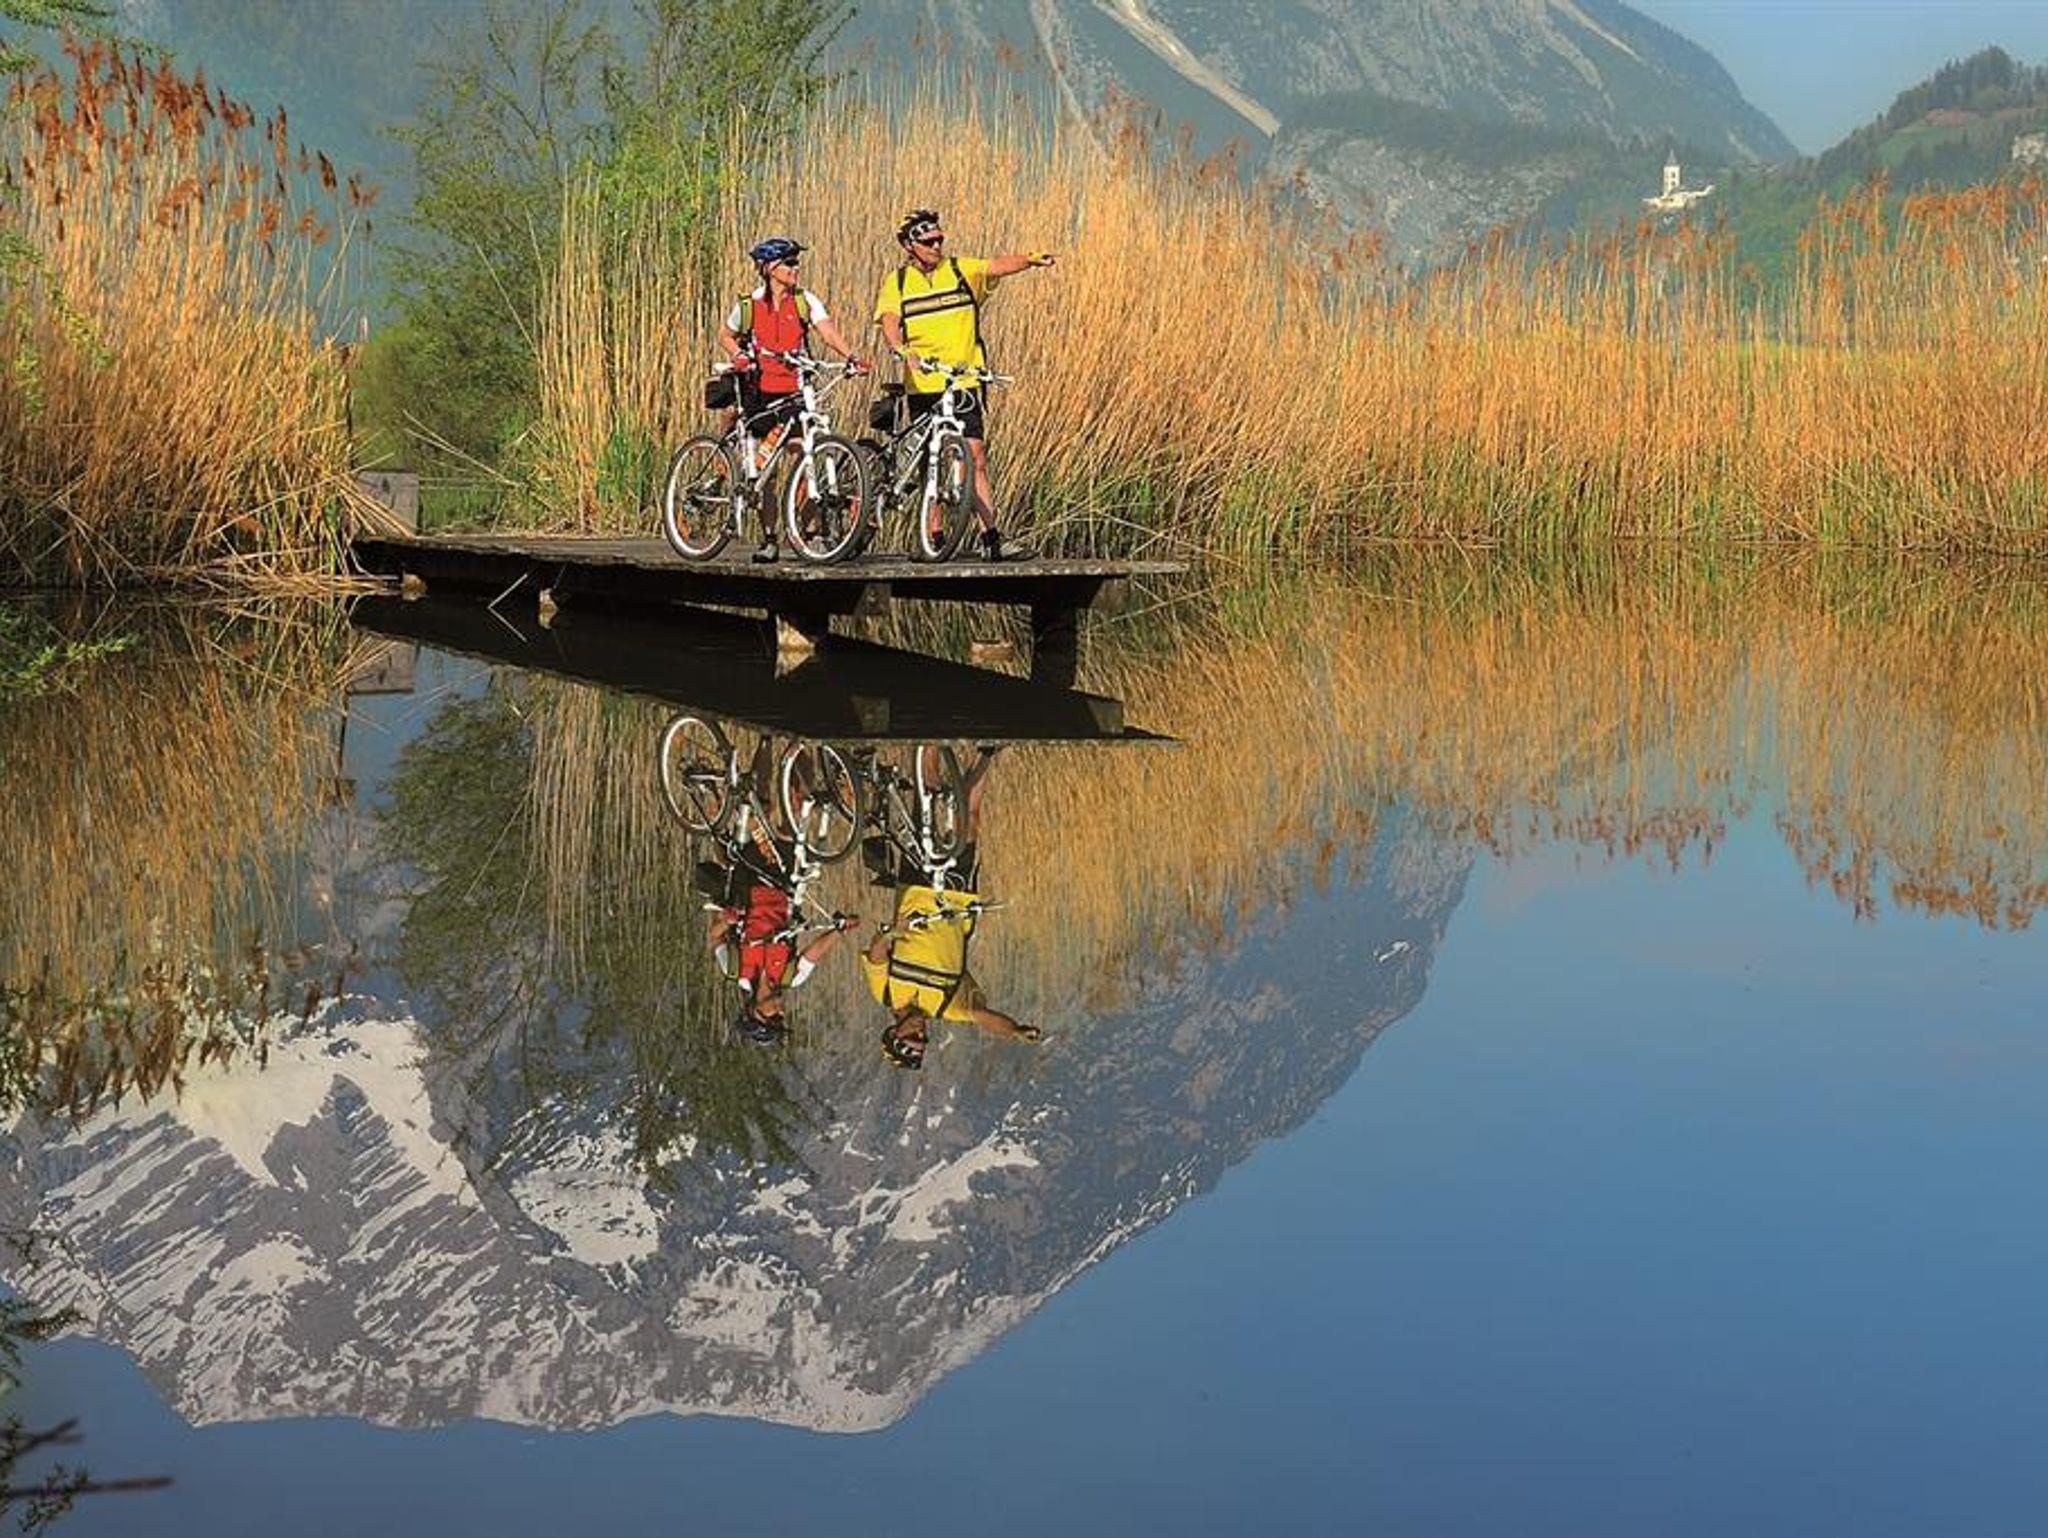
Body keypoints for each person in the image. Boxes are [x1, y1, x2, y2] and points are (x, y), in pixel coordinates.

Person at [873, 208, 1056, 563]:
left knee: (974, 456)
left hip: (964, 379)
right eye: (928, 242)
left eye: (939, 240)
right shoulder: (898, 282)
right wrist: (900, 349)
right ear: (909, 245)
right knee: (929, 461)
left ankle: (991, 538)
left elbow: (995, 266)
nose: (936, 246)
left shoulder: (958, 269)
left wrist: (1030, 260)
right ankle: (933, 536)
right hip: (922, 384)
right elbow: (890, 319)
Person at [861, 745, 1039, 1069]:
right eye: (924, 1039)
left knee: (924, 806)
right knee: (969, 819)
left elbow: (875, 956)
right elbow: (981, 1016)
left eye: (913, 1037)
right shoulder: (946, 1006)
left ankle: (926, 744)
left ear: (894, 1033)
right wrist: (1014, 1030)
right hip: (958, 899)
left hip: (914, 891)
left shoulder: (886, 991)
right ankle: (986, 751)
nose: (922, 1032)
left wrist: (891, 934)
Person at [718, 235, 868, 564]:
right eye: (788, 263)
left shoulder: (805, 301)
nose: (795, 268)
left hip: (795, 393)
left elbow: (827, 331)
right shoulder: (749, 305)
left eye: (796, 262)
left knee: (805, 456)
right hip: (760, 394)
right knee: (766, 473)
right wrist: (739, 355)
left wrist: (851, 356)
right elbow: (726, 335)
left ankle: (809, 533)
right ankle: (769, 539)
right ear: (769, 268)